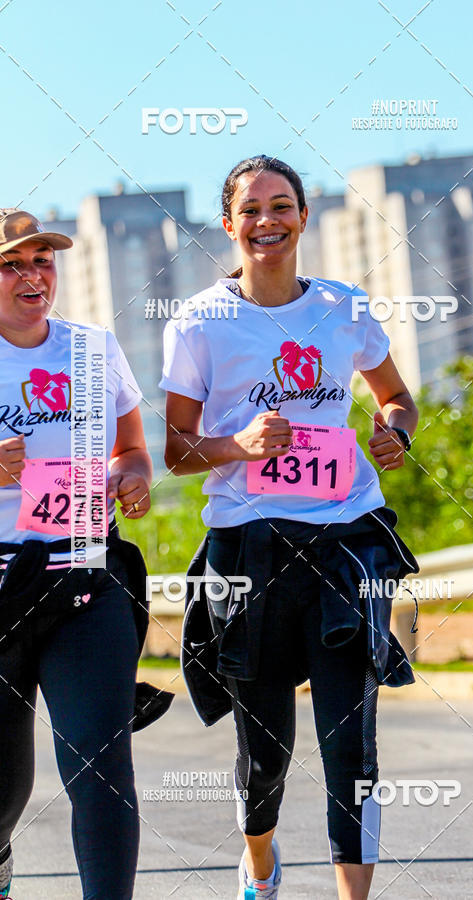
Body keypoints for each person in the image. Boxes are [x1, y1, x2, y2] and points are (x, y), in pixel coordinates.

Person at [161, 156, 419, 900]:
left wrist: (396, 433)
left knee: (351, 744)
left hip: (346, 540)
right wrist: (237, 446)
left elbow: (397, 397)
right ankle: (261, 862)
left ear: (304, 217)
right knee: (265, 750)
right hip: (249, 548)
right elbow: (175, 448)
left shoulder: (343, 307)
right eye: (250, 209)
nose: (266, 221)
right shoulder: (200, 321)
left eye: (281, 206)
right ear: (228, 225)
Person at [0, 209, 170, 900]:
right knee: (3, 787)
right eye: (10, 264)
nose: (32, 275)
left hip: (82, 581)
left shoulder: (92, 348)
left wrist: (132, 477)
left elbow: (132, 450)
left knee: (100, 769)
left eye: (42, 260)